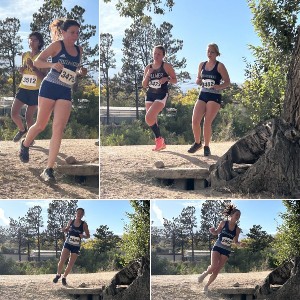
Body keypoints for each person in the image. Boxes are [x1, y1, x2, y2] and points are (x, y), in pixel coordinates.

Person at [19, 19, 87, 182]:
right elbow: (37, 61)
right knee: (41, 125)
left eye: (77, 32)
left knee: (58, 129)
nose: (75, 35)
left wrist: (80, 71)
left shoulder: (79, 49)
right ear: (63, 32)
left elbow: (74, 69)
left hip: (65, 90)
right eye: (72, 32)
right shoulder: (57, 46)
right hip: (49, 86)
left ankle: (49, 170)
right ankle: (25, 144)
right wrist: (52, 65)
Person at [188, 43, 230, 156]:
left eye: (212, 52)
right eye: (208, 51)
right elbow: (198, 78)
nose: (209, 54)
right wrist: (198, 81)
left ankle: (207, 146)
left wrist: (219, 86)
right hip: (203, 94)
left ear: (217, 53)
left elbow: (227, 82)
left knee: (207, 122)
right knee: (195, 120)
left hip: (214, 96)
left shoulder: (220, 66)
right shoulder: (202, 65)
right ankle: (197, 143)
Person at [197, 204, 242, 293]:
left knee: (216, 271)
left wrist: (240, 244)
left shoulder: (237, 229)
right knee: (213, 266)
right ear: (232, 215)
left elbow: (236, 242)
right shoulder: (223, 223)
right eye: (237, 214)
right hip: (217, 246)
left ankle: (206, 286)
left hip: (226, 250)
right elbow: (217, 232)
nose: (238, 217)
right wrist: (213, 231)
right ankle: (204, 274)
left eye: (239, 216)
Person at [11, 32, 47, 143]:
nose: (32, 41)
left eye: (34, 40)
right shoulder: (25, 54)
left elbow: (43, 77)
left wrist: (33, 67)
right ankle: (22, 130)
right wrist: (21, 71)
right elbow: (25, 73)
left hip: (35, 91)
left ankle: (30, 139)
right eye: (30, 39)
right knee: (14, 113)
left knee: (28, 117)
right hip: (23, 88)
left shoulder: (42, 56)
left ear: (39, 42)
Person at [142, 45, 177, 151]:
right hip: (150, 94)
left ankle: (159, 139)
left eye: (159, 54)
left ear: (163, 56)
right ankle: (161, 143)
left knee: (148, 118)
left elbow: (175, 80)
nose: (156, 55)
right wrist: (148, 74)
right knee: (152, 120)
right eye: (155, 53)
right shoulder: (149, 67)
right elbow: (144, 85)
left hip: (161, 94)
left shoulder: (166, 66)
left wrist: (166, 78)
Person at [53, 207, 90, 286]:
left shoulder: (84, 224)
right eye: (78, 212)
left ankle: (64, 277)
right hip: (68, 243)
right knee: (61, 261)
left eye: (81, 213)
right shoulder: (71, 221)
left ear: (83, 215)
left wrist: (83, 236)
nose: (79, 214)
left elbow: (88, 235)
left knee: (70, 264)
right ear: (75, 213)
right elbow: (66, 229)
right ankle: (58, 275)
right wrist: (64, 230)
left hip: (76, 246)